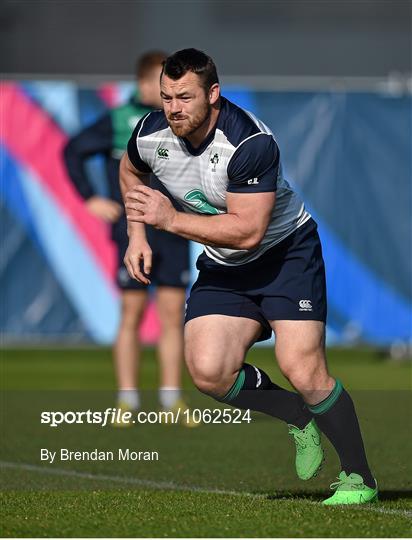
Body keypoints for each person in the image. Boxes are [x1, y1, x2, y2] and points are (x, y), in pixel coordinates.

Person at [121, 48, 377, 504]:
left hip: (284, 256)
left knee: (303, 368)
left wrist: (169, 220)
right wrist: (136, 234)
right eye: (166, 97)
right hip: (225, 266)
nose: (173, 108)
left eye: (184, 97)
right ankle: (298, 416)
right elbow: (130, 170)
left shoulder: (249, 142)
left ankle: (360, 478)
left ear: (213, 94)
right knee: (208, 371)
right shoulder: (148, 132)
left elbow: (248, 232)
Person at [64, 51, 194, 424]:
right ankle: (127, 399)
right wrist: (91, 198)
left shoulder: (180, 123)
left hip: (173, 230)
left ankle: (171, 401)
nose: (170, 91)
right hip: (131, 232)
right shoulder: (120, 120)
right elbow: (73, 150)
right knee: (132, 312)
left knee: (172, 316)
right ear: (142, 83)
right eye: (163, 82)